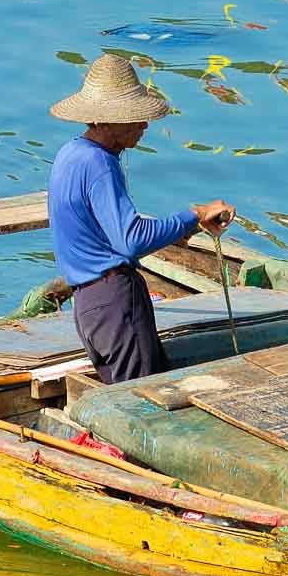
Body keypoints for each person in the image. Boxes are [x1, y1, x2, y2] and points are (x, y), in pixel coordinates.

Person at [47, 54, 235, 383]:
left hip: (88, 308)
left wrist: (178, 231)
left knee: (121, 394)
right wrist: (195, 215)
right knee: (140, 402)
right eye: (133, 118)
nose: (144, 125)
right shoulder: (100, 165)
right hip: (114, 303)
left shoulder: (70, 154)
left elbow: (94, 230)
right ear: (105, 121)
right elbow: (132, 240)